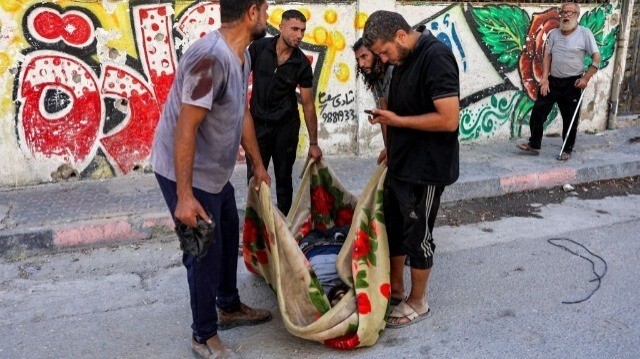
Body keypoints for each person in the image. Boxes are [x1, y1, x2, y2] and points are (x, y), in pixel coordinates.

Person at [149, 1, 272, 357]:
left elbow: (242, 112)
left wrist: (258, 163)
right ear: (251, 12)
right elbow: (186, 129)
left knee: (229, 228)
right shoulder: (209, 58)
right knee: (202, 249)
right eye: (265, 10)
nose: (267, 17)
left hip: (214, 173)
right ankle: (203, 335)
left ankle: (228, 305)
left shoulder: (241, 56)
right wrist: (184, 198)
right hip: (184, 172)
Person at [363, 10, 460, 328]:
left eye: (385, 51)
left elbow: (448, 119)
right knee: (395, 228)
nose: (384, 59)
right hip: (402, 162)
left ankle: (418, 302)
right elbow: (407, 107)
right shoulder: (403, 59)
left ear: (401, 36)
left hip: (428, 168)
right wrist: (391, 146)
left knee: (419, 235)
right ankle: (397, 290)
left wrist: (397, 122)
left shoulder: (436, 57)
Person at [247, 9, 322, 216]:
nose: (299, 35)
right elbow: (239, 76)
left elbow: (307, 104)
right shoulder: (258, 48)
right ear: (281, 27)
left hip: (285, 126)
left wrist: (314, 143)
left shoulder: (302, 64)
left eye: (303, 31)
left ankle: (286, 228)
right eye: (294, 29)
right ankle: (258, 225)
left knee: (283, 178)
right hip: (257, 124)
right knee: (254, 177)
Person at [518, 2, 600, 161]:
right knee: (538, 112)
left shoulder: (585, 34)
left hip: (573, 83)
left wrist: (586, 78)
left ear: (577, 15)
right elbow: (547, 56)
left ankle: (567, 149)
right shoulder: (554, 34)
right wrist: (544, 79)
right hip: (553, 82)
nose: (566, 15)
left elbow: (596, 57)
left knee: (570, 119)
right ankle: (534, 144)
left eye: (570, 13)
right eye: (563, 12)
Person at [353, 37, 393, 165]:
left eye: (364, 56)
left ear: (376, 53)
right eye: (358, 59)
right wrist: (388, 149)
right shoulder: (376, 78)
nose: (361, 64)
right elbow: (384, 113)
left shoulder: (392, 72)